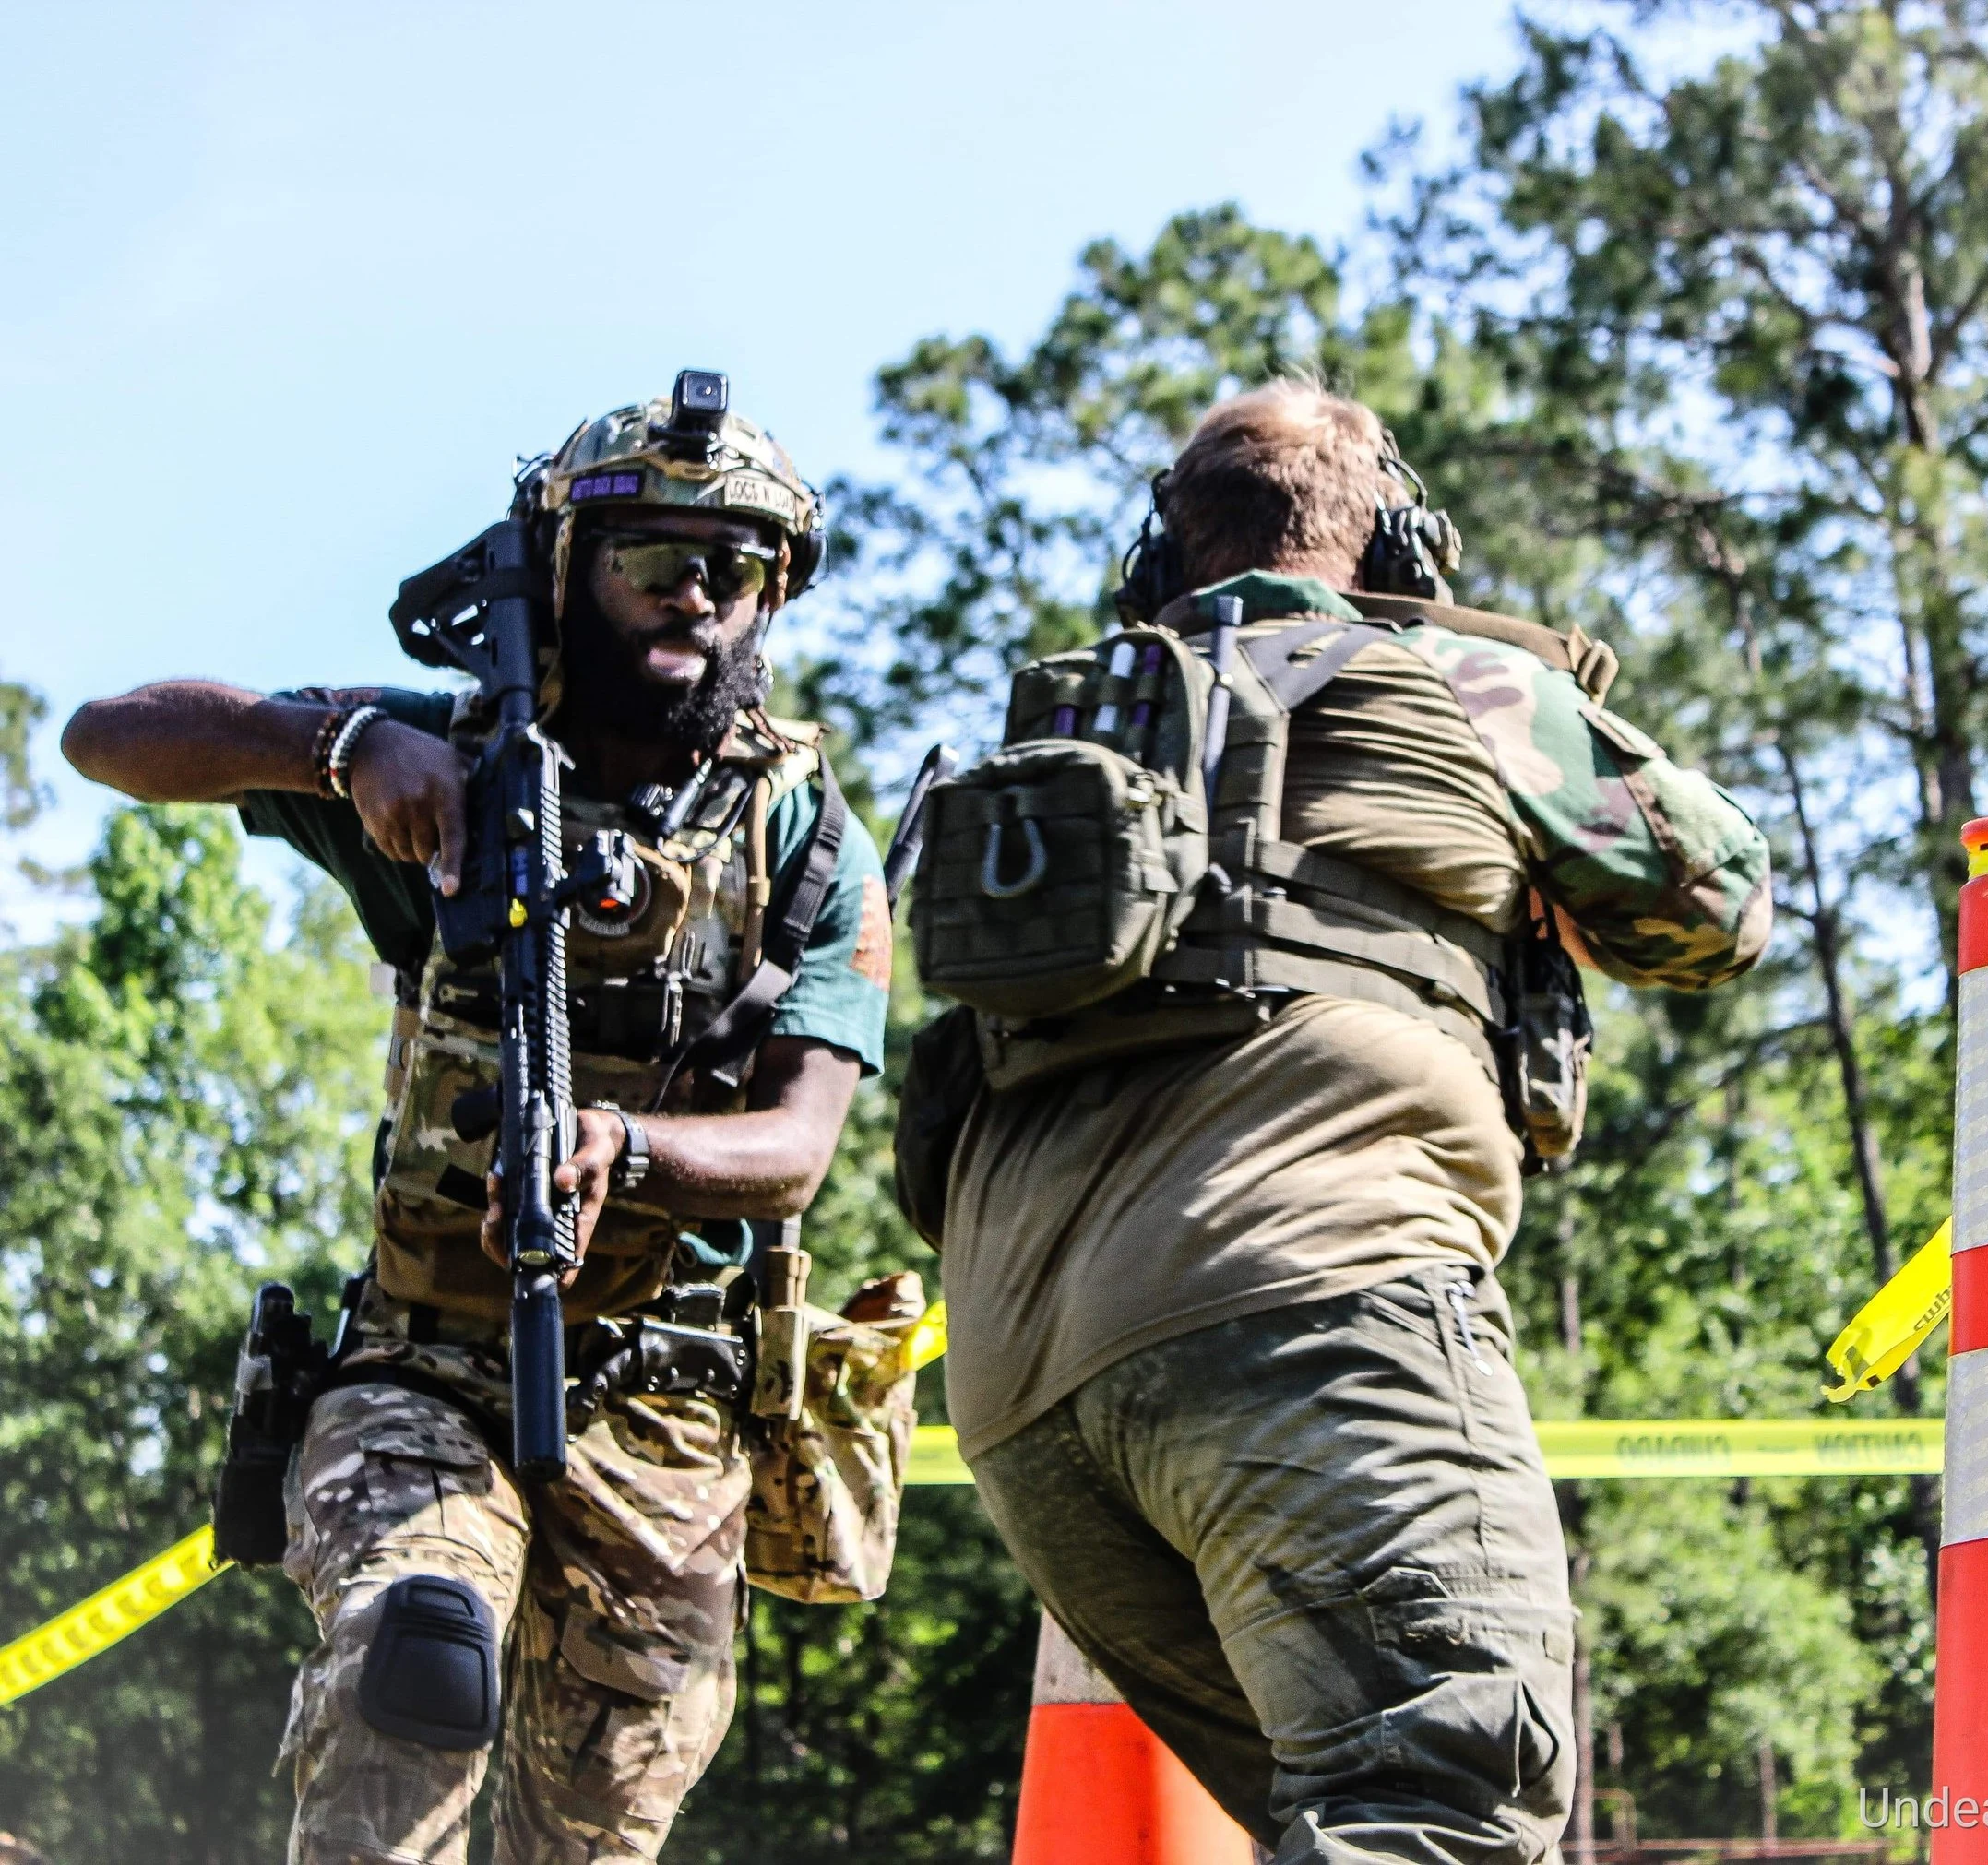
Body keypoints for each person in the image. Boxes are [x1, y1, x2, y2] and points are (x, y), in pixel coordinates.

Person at [929, 382, 1773, 1862]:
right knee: (1444, 1787)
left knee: (1336, 1812)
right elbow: (1718, 909)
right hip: (1309, 1296)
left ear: (1162, 555)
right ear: (1398, 537)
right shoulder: (1446, 670)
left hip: (1024, 1396)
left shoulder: (1072, 727)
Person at [62, 381, 892, 1862]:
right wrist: (344, 746)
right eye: (651, 555)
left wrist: (619, 1153)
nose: (696, 590)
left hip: (665, 1405)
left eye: (737, 563)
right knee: (417, 1648)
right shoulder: (454, 769)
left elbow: (796, 1147)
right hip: (425, 1370)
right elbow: (105, 736)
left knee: (599, 1830)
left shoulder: (811, 839)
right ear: (568, 571)